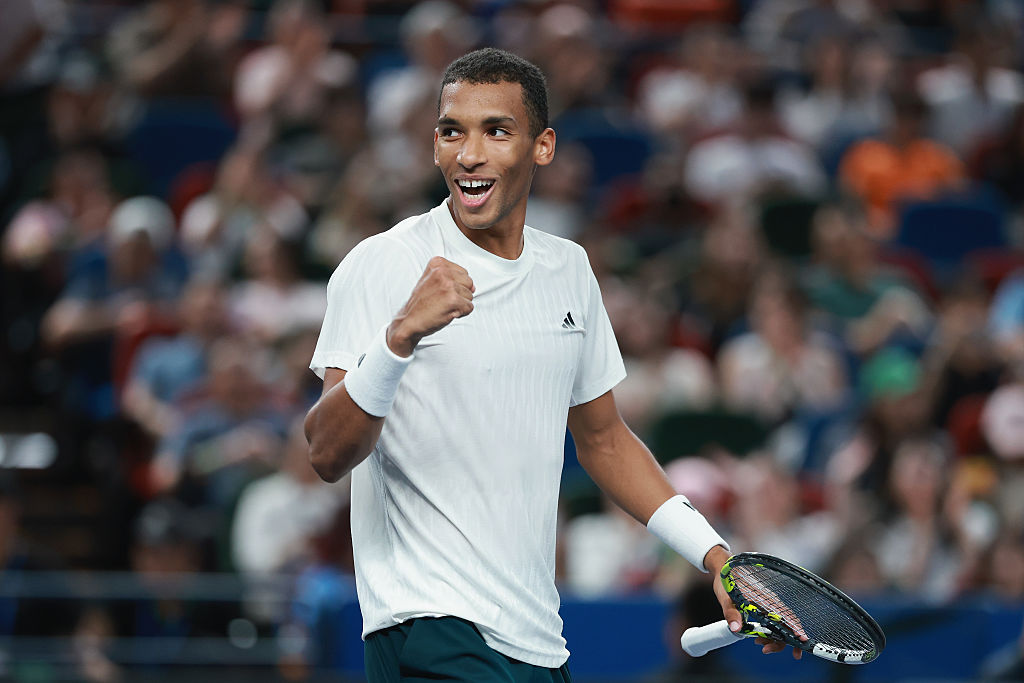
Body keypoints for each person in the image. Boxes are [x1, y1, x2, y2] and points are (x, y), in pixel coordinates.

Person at [304, 48, 798, 682]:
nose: (469, 154)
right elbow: (326, 453)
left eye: (496, 131)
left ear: (543, 147)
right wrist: (399, 337)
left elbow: (605, 441)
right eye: (452, 132)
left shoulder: (569, 270)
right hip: (425, 628)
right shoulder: (381, 264)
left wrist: (716, 558)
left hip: (537, 641)